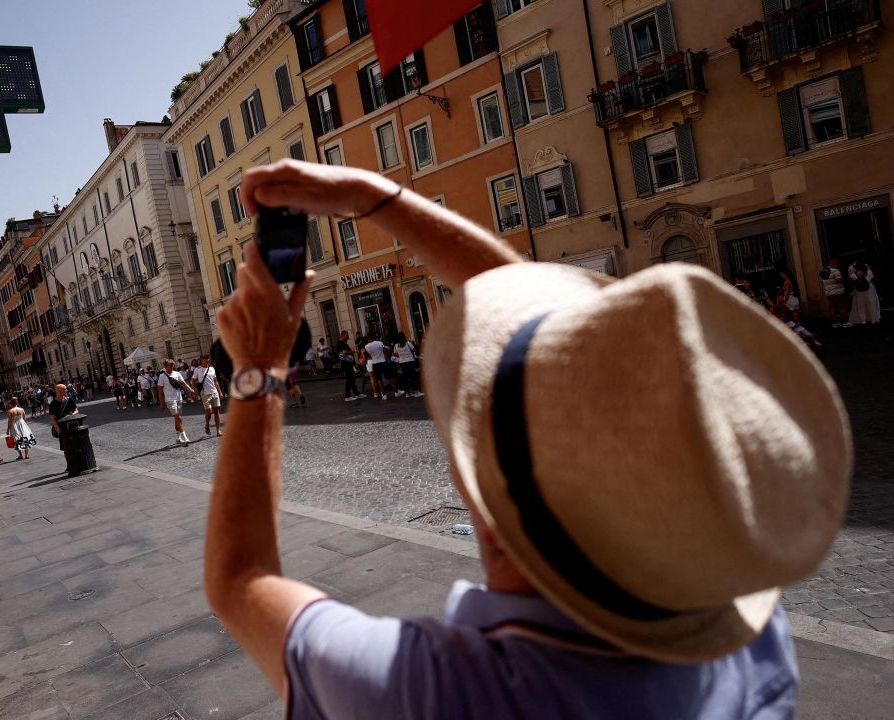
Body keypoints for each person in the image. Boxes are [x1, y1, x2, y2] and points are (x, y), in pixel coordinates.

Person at [202, 159, 851, 719]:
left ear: (480, 496)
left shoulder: (436, 695)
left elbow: (240, 578)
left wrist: (262, 364)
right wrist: (374, 197)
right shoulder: (738, 613)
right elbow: (560, 352)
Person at [157, 359, 198, 446]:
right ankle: (184, 437)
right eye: (169, 366)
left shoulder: (177, 373)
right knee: (178, 418)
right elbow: (160, 391)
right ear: (165, 366)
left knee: (178, 418)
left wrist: (190, 389)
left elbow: (183, 383)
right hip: (170, 400)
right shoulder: (162, 377)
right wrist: (161, 403)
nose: (171, 367)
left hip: (178, 398)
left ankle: (177, 437)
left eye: (172, 365)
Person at [195, 356, 225, 436]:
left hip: (214, 393)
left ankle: (218, 430)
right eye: (205, 359)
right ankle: (207, 424)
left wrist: (220, 392)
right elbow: (193, 380)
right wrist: (195, 390)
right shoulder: (198, 369)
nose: (207, 360)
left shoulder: (212, 369)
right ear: (201, 360)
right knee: (209, 412)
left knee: (217, 412)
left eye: (208, 359)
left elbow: (216, 381)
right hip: (205, 394)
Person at [848, 259, 881, 325]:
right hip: (869, 289)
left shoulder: (852, 269)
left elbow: (852, 280)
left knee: (861, 306)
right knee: (872, 304)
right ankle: (873, 319)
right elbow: (872, 277)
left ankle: (863, 320)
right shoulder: (868, 269)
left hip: (859, 290)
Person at [392, 331, 423, 397]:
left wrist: (400, 355)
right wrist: (407, 353)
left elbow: (394, 353)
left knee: (405, 378)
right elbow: (414, 350)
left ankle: (407, 393)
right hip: (410, 361)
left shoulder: (396, 345)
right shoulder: (408, 343)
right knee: (413, 377)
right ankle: (416, 392)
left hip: (402, 362)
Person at [48, 383, 78, 449]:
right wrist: (58, 430)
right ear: (59, 391)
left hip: (72, 426)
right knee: (66, 449)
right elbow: (53, 419)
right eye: (65, 389)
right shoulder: (53, 404)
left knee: (76, 446)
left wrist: (72, 414)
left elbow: (76, 410)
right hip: (62, 429)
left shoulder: (69, 400)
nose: (67, 390)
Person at [821, 259, 849, 328]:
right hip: (838, 292)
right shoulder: (836, 271)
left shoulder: (823, 271)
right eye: (837, 263)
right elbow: (838, 280)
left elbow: (823, 282)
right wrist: (846, 280)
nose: (838, 265)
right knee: (841, 307)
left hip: (828, 293)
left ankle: (835, 323)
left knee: (832, 308)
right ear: (834, 263)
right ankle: (845, 323)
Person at [336, 331, 360, 402]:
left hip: (348, 364)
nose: (348, 337)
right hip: (346, 365)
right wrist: (353, 351)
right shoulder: (340, 344)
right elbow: (344, 353)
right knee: (349, 380)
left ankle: (356, 393)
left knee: (352, 379)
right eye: (347, 336)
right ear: (343, 335)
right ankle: (347, 396)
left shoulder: (342, 343)